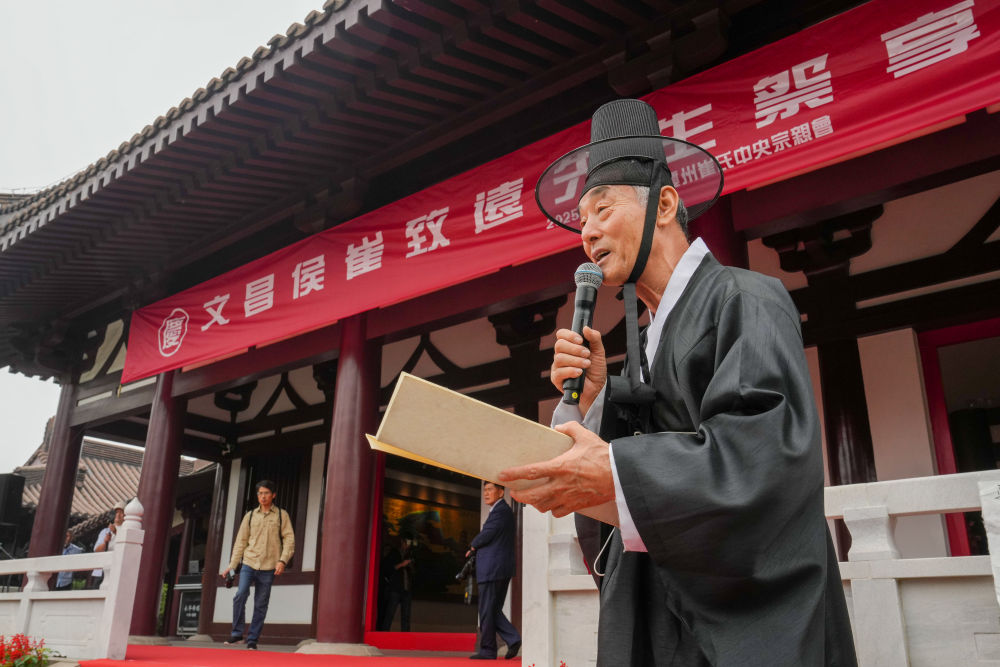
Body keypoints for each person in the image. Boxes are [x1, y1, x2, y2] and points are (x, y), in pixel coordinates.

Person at [500, 99, 856, 666]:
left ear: (665, 204)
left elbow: (762, 456)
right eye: (582, 219)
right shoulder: (645, 343)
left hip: (742, 624)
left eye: (602, 209)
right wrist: (595, 401)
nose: (587, 233)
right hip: (661, 609)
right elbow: (635, 482)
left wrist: (616, 469)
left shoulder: (745, 298)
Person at [221, 480, 294, 650]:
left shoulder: (281, 515)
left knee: (261, 603)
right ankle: (237, 634)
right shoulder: (250, 516)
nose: (263, 496)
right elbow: (241, 542)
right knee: (240, 594)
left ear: (273, 495)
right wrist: (232, 565)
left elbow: (289, 540)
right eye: (260, 493)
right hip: (249, 562)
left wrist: (283, 560)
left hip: (269, 566)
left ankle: (253, 639)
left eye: (266, 493)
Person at [466, 482, 521, 660]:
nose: (486, 493)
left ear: (501, 492)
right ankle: (511, 640)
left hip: (493, 568)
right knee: (492, 609)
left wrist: (473, 545)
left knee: (487, 609)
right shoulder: (500, 510)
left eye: (490, 490)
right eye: (484, 490)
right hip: (497, 568)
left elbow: (488, 532)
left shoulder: (501, 510)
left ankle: (489, 649)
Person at [378, 534, 416, 631]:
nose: (408, 545)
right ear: (402, 542)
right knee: (390, 614)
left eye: (410, 543)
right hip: (395, 588)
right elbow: (388, 568)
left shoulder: (409, 554)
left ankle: (405, 636)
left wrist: (410, 566)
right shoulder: (394, 553)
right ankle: (384, 633)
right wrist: (402, 564)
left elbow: (413, 572)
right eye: (407, 542)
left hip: (406, 588)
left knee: (406, 616)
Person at [88, 500, 125, 589]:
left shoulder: (126, 530)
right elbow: (97, 550)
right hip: (101, 570)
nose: (118, 515)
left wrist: (115, 532)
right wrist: (105, 542)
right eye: (116, 512)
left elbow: (125, 547)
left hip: (116, 569)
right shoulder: (105, 531)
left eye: (121, 512)